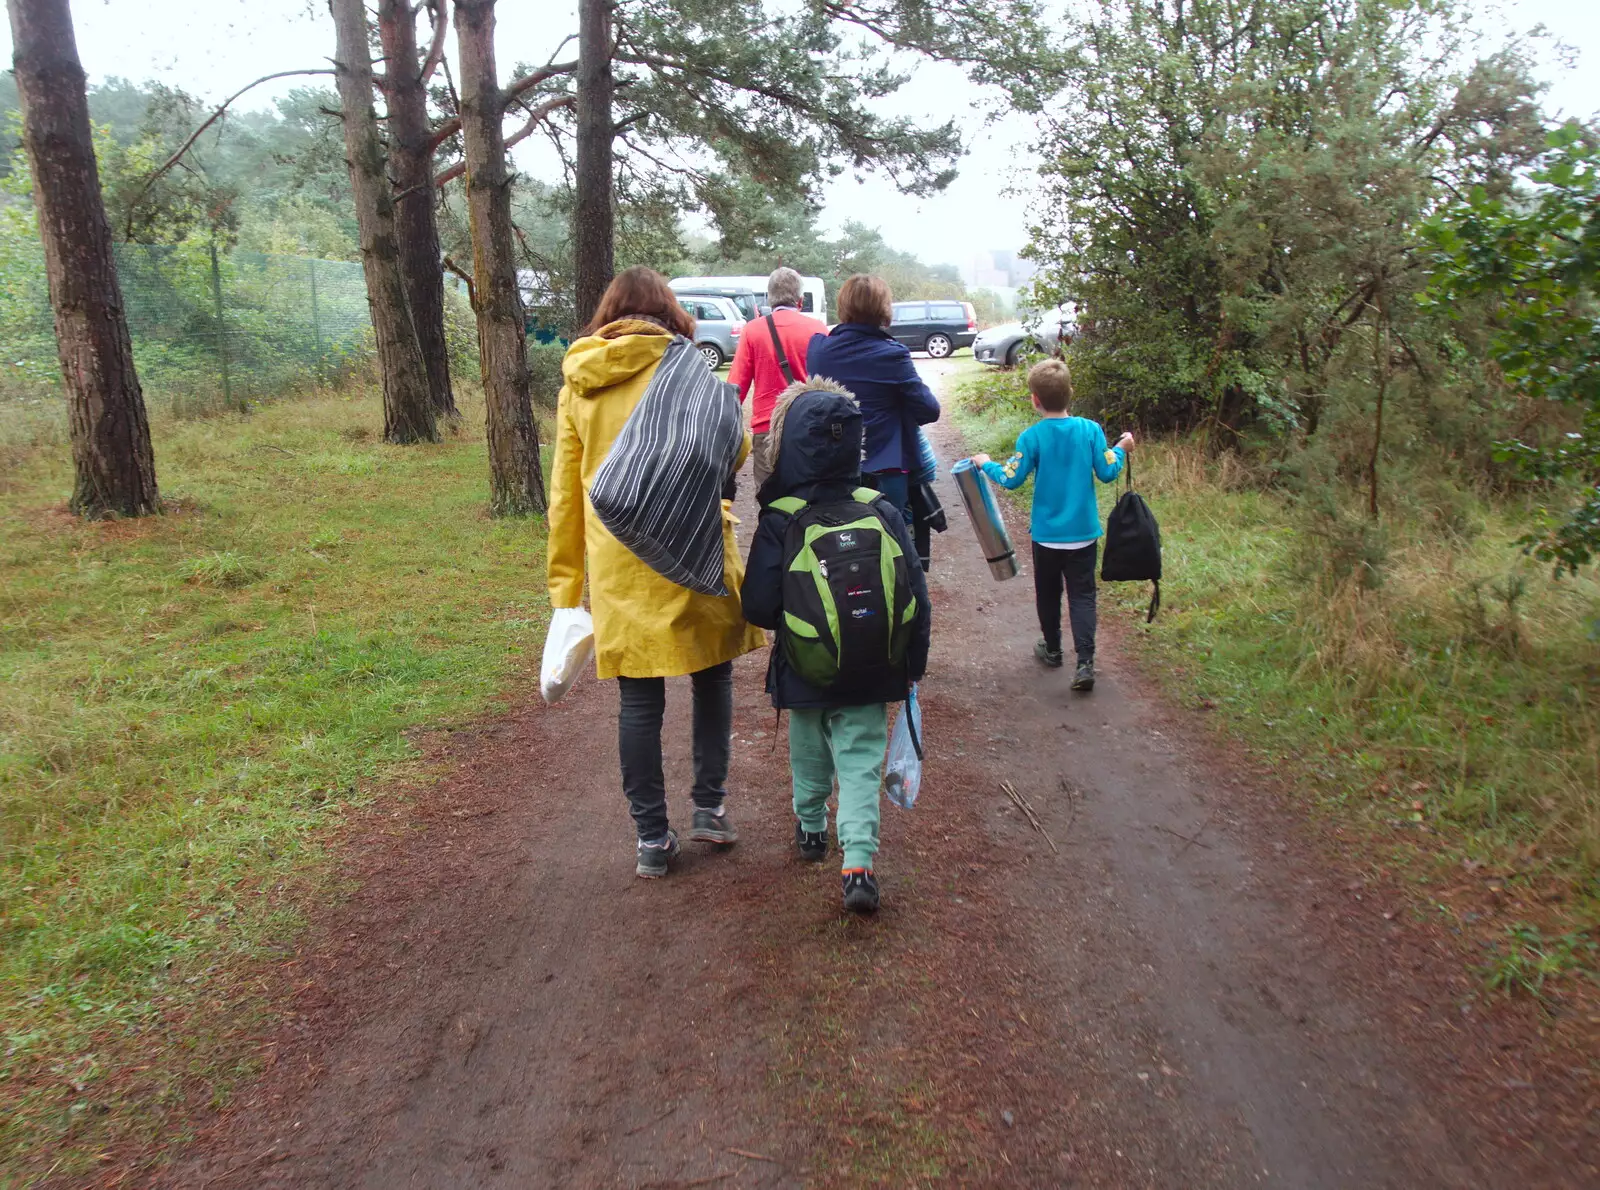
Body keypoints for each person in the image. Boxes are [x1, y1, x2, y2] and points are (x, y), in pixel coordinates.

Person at [547, 266, 765, 878]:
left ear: (608, 315)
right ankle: (710, 807)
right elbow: (737, 445)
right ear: (671, 313)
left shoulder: (578, 384)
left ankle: (651, 839)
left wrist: (566, 590)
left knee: (639, 703)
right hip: (694, 543)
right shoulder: (691, 367)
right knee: (712, 679)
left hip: (620, 561)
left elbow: (566, 495)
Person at [742, 379, 932, 914]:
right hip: (875, 668)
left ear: (786, 443)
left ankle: (810, 829)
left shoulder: (781, 517)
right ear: (856, 443)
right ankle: (858, 865)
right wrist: (912, 664)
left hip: (805, 668)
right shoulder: (882, 509)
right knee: (860, 760)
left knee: (808, 751)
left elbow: (757, 606)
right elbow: (916, 594)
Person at [970, 359, 1133, 692]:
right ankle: (1085, 662)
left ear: (1035, 399)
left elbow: (1011, 479)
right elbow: (1107, 471)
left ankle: (1054, 649)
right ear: (1070, 393)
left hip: (1046, 538)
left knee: (1048, 594)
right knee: (1083, 596)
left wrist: (986, 464)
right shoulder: (1090, 430)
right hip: (1083, 535)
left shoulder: (1032, 437)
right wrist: (1121, 449)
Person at [804, 275, 940, 527]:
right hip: (885, 472)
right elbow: (929, 411)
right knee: (891, 546)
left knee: (837, 546)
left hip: (832, 470)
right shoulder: (892, 354)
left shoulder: (818, 349)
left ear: (843, 305)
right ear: (883, 309)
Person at [727, 266, 828, 487]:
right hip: (809, 426)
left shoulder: (753, 331)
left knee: (770, 503)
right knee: (809, 497)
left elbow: (736, 388)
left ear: (769, 299)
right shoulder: (818, 329)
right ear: (800, 301)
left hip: (768, 428)